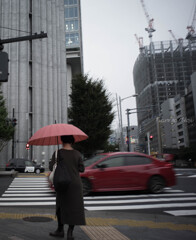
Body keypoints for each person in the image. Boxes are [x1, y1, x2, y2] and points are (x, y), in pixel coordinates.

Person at [49, 135, 86, 239]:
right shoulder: (77, 154)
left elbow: (51, 167)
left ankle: (60, 230)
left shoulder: (57, 153)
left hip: (61, 183)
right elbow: (82, 169)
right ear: (72, 142)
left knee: (61, 207)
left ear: (62, 141)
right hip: (75, 184)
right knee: (73, 208)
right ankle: (70, 233)